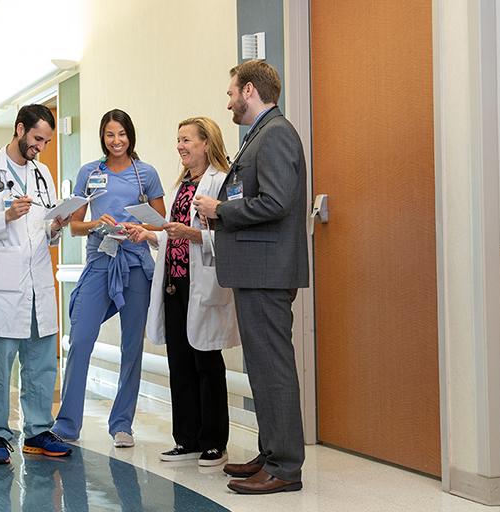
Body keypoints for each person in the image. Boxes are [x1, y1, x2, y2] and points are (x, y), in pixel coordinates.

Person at [193, 59, 309, 495]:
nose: (228, 103)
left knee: (273, 368)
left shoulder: (275, 134)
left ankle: (285, 466)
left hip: (267, 271)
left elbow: (276, 202)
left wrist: (220, 209)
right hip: (257, 269)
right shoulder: (261, 134)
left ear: (248, 91)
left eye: (231, 93)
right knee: (262, 368)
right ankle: (271, 452)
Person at [124, 117, 240, 467]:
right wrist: (151, 235)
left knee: (206, 362)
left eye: (187, 140)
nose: (180, 146)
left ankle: (214, 442)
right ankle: (186, 439)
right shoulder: (182, 186)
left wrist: (191, 235)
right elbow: (173, 233)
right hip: (174, 284)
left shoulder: (220, 182)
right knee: (180, 363)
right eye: (178, 140)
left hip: (202, 284)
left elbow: (230, 236)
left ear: (206, 143)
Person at [0, 104, 72, 464]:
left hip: (39, 280)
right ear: (20, 129)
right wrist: (5, 216)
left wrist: (56, 227)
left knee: (42, 365)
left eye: (47, 141)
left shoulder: (43, 173)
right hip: (4, 284)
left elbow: (45, 228)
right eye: (37, 138)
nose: (41, 147)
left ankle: (38, 431)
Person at [52, 109, 166, 448]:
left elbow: (161, 223)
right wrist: (95, 223)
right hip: (100, 262)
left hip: (135, 264)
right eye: (110, 134)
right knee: (80, 338)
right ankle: (67, 424)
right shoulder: (89, 172)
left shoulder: (146, 174)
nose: (116, 141)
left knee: (132, 346)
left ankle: (121, 424)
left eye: (122, 134)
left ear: (130, 136)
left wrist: (137, 227)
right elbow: (75, 226)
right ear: (102, 137)